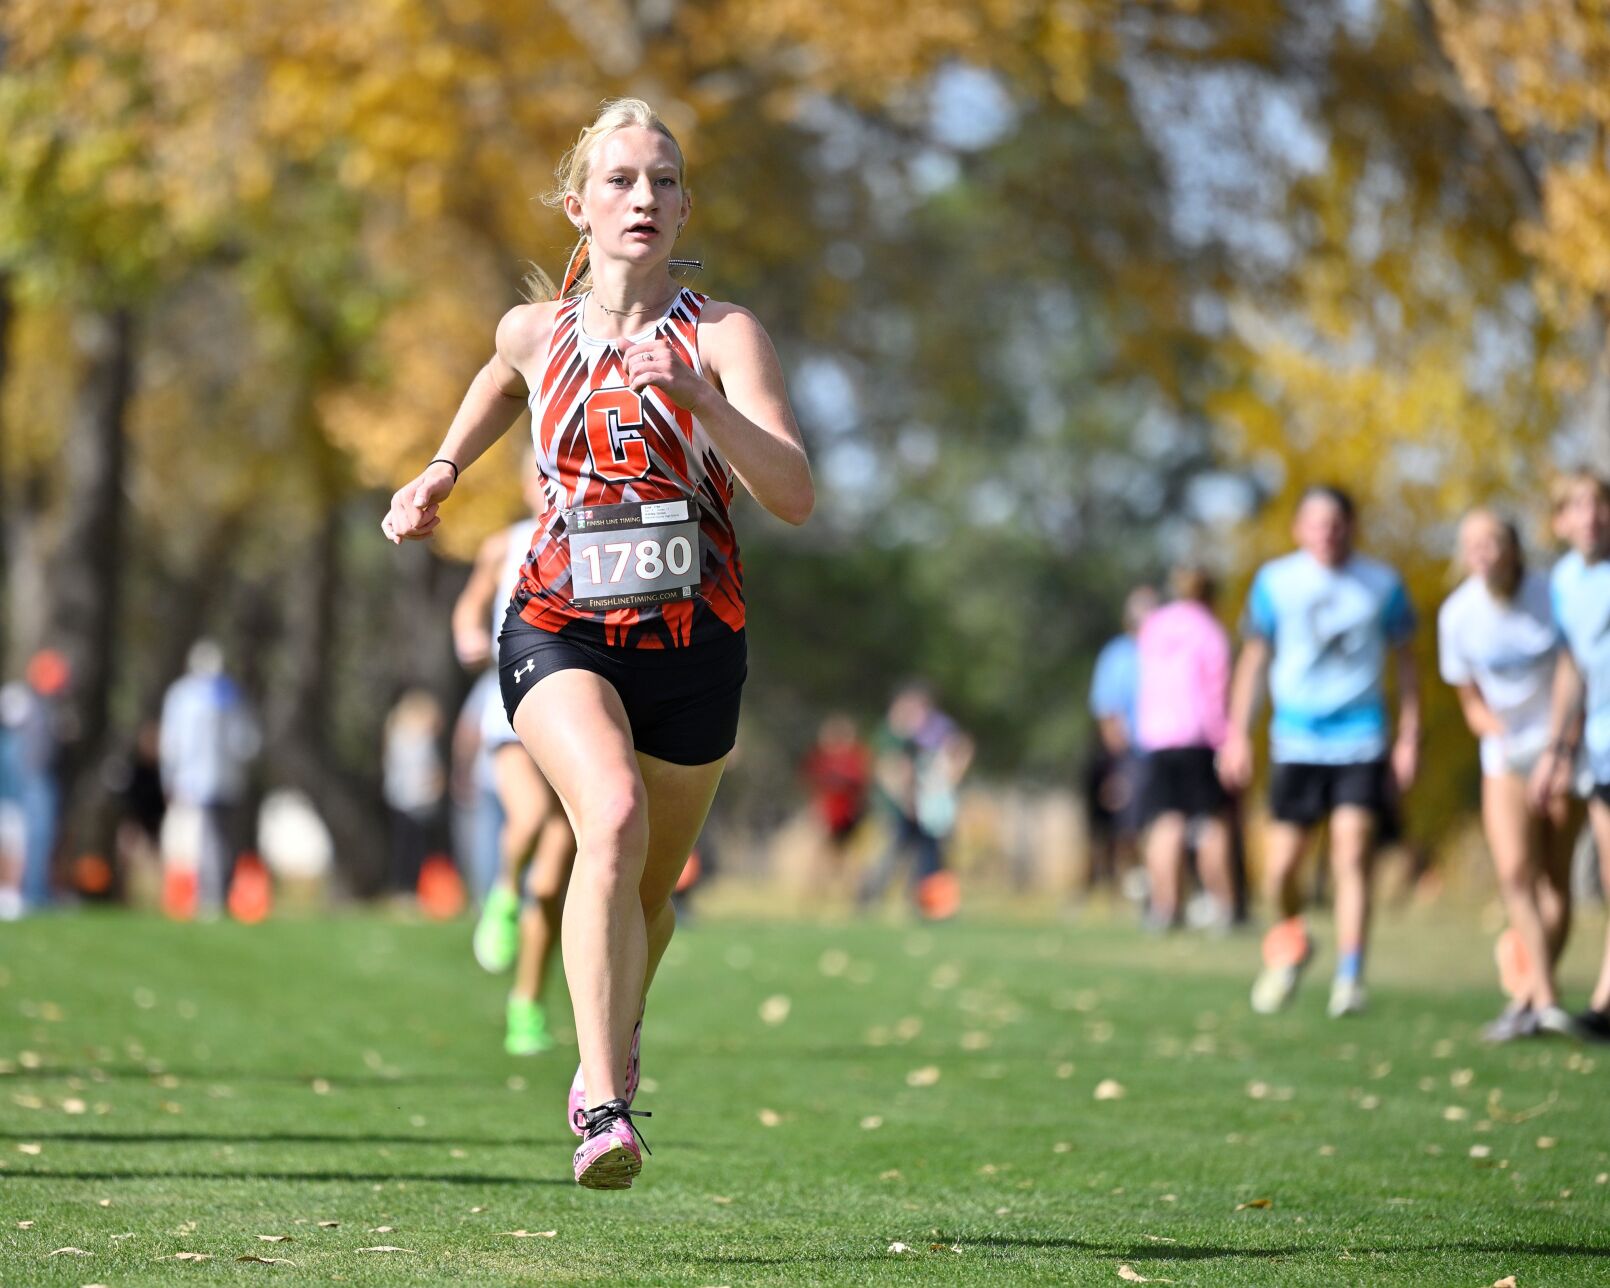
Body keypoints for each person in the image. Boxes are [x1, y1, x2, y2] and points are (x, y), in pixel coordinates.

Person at [381, 98, 813, 1189]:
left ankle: (607, 1044)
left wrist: (704, 408)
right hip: (557, 624)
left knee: (649, 890)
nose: (644, 200)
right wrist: (441, 468)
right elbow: (497, 377)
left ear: (682, 208)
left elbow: (795, 495)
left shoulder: (721, 337)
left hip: (695, 643)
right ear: (578, 205)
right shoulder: (539, 332)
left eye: (664, 182)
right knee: (606, 816)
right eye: (620, 181)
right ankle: (601, 1098)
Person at [1219, 485, 1419, 1018]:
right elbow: (1254, 660)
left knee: (1352, 853)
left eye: (1337, 522)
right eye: (1317, 522)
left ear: (1351, 526)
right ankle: (1291, 944)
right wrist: (1237, 733)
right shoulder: (1275, 583)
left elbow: (1406, 663)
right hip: (1296, 739)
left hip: (1362, 736)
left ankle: (1350, 976)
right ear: (1298, 529)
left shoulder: (1382, 584)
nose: (1327, 533)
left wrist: (1409, 736)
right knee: (1280, 871)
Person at [1439, 509, 1582, 1040]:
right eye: (1472, 544)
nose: (1483, 553)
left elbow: (1581, 670)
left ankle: (1527, 998)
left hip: (1565, 749)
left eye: (1493, 541)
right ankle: (1543, 997)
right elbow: (1469, 696)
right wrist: (1496, 733)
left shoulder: (1553, 596)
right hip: (1505, 759)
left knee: (1554, 878)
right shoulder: (1457, 614)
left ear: (1515, 548)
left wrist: (1560, 748)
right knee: (1515, 873)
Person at [451, 456, 576, 1056]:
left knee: (553, 886)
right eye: (541, 477)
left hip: (575, 718)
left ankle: (525, 1006)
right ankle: (501, 892)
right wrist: (469, 634)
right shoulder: (503, 545)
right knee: (525, 820)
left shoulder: (594, 536)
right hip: (509, 706)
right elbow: (470, 605)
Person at [1531, 470, 1610, 1041]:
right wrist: (1556, 749)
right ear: (1559, 521)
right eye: (1577, 508)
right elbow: (1570, 671)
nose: (1591, 516)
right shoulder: (1559, 583)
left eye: (1600, 505)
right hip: (1599, 746)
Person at [1134, 565, 1234, 930]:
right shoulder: (1210, 631)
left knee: (1165, 823)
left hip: (1156, 737)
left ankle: (1165, 909)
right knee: (1209, 823)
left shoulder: (1154, 626)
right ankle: (1223, 907)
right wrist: (1227, 741)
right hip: (1197, 737)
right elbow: (1217, 692)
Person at [159, 640, 260, 917]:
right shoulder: (189, 695)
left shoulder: (222, 694)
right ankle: (211, 895)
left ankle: (216, 895)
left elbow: (246, 740)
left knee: (217, 838)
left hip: (214, 780)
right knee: (210, 838)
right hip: (204, 780)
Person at [857, 683, 973, 917]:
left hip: (927, 807)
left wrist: (951, 778)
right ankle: (870, 898)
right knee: (893, 854)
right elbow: (889, 769)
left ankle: (927, 905)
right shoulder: (894, 732)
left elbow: (961, 748)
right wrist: (905, 799)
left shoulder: (936, 728)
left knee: (929, 856)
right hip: (901, 808)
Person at [1086, 586, 1159, 898]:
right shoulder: (1116, 655)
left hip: (1167, 750)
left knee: (1168, 824)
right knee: (1131, 826)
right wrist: (1120, 763)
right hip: (1133, 754)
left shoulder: (1167, 651)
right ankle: (1139, 885)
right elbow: (1108, 713)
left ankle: (1167, 891)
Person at [380, 687, 448, 899]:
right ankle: (405, 889)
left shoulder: (410, 738)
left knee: (415, 850)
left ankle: (416, 890)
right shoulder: (408, 740)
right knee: (408, 850)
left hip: (418, 803)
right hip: (409, 802)